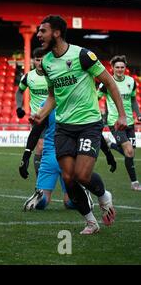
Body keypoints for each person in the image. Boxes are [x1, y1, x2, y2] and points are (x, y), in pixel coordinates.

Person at [32, 15, 127, 235]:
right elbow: (53, 95)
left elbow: (110, 82)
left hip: (88, 124)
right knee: (68, 177)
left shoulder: (83, 55)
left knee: (82, 175)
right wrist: (41, 114)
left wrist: (122, 115)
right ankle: (91, 222)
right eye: (38, 31)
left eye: (43, 31)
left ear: (56, 33)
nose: (39, 34)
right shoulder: (46, 62)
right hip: (64, 127)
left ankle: (104, 197)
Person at [19, 102, 117, 211]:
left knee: (44, 201)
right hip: (69, 156)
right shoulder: (78, 102)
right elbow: (94, 133)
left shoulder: (45, 104)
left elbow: (36, 131)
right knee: (69, 201)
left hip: (49, 156)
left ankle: (40, 196)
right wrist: (108, 154)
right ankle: (84, 194)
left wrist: (26, 156)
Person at [98, 55, 141, 191]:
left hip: (129, 122)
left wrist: (138, 115)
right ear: (112, 68)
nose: (120, 69)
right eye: (117, 67)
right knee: (128, 151)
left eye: (122, 67)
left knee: (130, 152)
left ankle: (111, 145)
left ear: (125, 68)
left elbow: (133, 99)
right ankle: (135, 183)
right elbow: (95, 97)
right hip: (115, 122)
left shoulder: (131, 81)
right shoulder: (106, 83)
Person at [16, 47, 48, 177]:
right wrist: (19, 107)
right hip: (38, 118)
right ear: (33, 61)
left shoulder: (54, 75)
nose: (40, 63)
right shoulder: (29, 77)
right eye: (37, 60)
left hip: (56, 117)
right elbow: (19, 92)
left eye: (43, 59)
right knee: (40, 146)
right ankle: (39, 183)